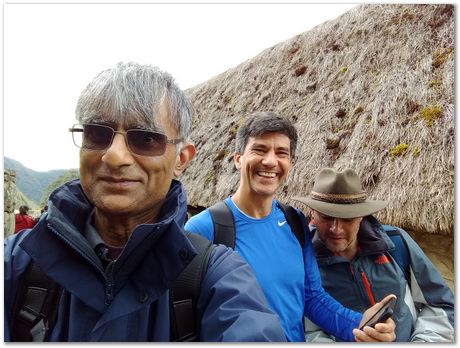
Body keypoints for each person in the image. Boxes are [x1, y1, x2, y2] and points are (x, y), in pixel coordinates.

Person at [4, 62, 287, 342]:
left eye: (146, 139)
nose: (114, 156)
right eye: (98, 133)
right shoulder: (19, 262)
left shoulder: (217, 277)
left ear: (181, 159)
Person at [185, 111, 396, 342]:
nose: (270, 161)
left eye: (281, 153)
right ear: (238, 159)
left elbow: (311, 296)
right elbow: (181, 314)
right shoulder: (203, 229)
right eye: (259, 149)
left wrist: (361, 325)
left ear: (290, 163)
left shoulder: (295, 222)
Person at [292, 167, 454, 342]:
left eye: (347, 218)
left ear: (361, 216)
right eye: (327, 217)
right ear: (312, 214)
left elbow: (442, 304)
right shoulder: (300, 260)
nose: (336, 229)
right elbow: (307, 330)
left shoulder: (396, 243)